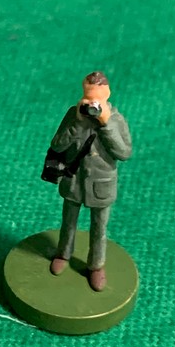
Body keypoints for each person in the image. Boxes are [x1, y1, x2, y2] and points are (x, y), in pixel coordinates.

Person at [44, 72, 132, 291]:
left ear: (107, 94)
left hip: (101, 183)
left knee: (99, 228)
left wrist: (106, 124)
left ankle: (96, 266)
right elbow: (57, 144)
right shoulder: (74, 116)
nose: (92, 104)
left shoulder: (116, 119)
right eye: (88, 97)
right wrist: (78, 124)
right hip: (74, 179)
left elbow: (123, 153)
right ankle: (63, 254)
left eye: (97, 99)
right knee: (68, 222)